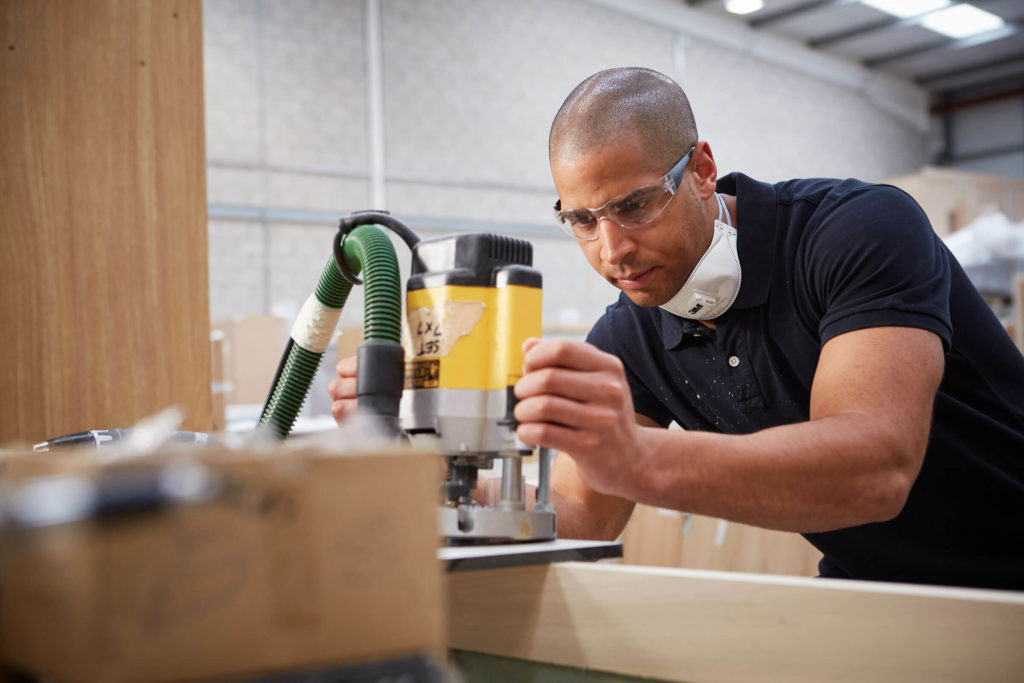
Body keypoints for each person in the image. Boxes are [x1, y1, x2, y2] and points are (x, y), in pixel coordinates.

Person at [331, 67, 1024, 590]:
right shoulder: (629, 336)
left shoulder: (856, 232)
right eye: (582, 220)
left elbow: (877, 467)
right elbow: (583, 513)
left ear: (699, 170)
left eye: (633, 205)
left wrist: (635, 456)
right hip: (874, 589)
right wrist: (419, 466)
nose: (612, 249)